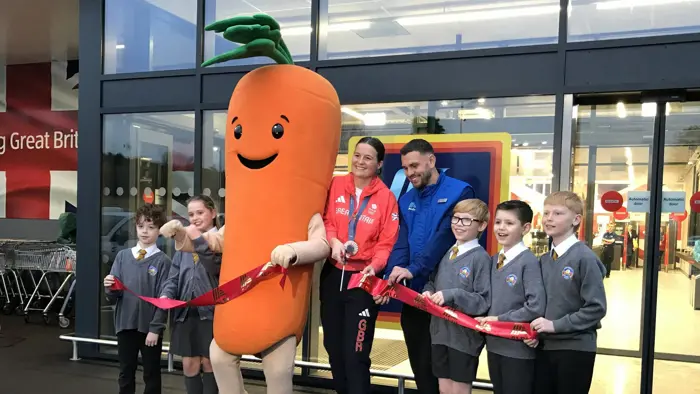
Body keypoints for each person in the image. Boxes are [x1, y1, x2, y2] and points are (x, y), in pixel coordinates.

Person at [376, 138, 475, 394]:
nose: (410, 173)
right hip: (414, 297)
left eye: (414, 166)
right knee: (420, 366)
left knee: (444, 369)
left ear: (431, 161)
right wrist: (392, 276)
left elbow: (445, 237)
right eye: (406, 168)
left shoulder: (460, 192)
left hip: (445, 297)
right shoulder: (407, 199)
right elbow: (401, 242)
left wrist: (413, 269)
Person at [320, 136, 400, 394]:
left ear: (378, 164)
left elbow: (387, 242)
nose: (360, 162)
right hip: (333, 275)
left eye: (367, 158)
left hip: (362, 281)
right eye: (357, 155)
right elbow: (327, 219)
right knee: (333, 350)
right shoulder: (335, 184)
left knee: (355, 354)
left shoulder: (386, 198)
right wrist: (333, 242)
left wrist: (375, 266)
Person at [529, 191, 607, 394]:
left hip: (575, 349)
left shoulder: (585, 258)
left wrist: (555, 325)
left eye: (557, 213)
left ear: (576, 219)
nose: (549, 219)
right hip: (544, 347)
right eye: (546, 213)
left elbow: (596, 308)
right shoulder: (544, 260)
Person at [421, 199, 491, 394]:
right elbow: (432, 281)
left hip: (464, 338)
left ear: (482, 225)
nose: (459, 224)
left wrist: (451, 295)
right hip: (439, 333)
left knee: (459, 389)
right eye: (456, 218)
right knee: (444, 388)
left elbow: (483, 300)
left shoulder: (481, 258)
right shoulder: (446, 252)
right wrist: (429, 291)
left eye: (467, 220)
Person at [476, 200, 546, 394]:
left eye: (509, 223)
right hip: (494, 346)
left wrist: (499, 320)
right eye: (498, 222)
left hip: (518, 349)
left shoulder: (528, 262)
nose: (501, 228)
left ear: (525, 228)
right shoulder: (492, 261)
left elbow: (535, 306)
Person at [104, 204, 171, 394]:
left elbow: (164, 299)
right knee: (126, 372)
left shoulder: (163, 261)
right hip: (125, 325)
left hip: (149, 328)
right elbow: (113, 296)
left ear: (159, 231)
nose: (145, 232)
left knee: (151, 373)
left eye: (151, 227)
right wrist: (109, 287)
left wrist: (155, 329)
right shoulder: (123, 257)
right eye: (141, 226)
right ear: (136, 227)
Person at [160, 195, 221, 394]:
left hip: (212, 314)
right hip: (186, 315)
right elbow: (173, 278)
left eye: (200, 213)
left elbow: (214, 268)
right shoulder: (182, 247)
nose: (194, 218)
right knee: (189, 364)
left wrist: (196, 238)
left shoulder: (221, 240)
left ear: (213, 213)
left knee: (210, 363)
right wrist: (166, 295)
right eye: (191, 214)